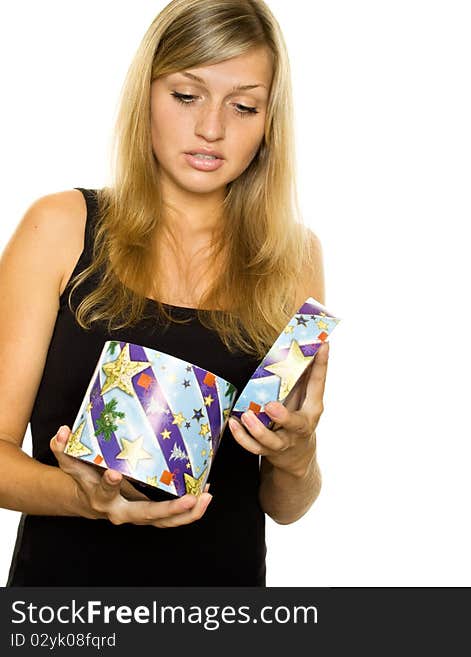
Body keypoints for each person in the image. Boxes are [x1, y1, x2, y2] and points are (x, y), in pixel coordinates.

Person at [0, 0, 329, 586]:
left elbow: (284, 503)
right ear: (145, 95)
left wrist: (297, 457)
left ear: (268, 122)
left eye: (244, 105)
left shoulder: (293, 258)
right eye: (186, 95)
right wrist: (87, 499)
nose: (211, 128)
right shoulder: (60, 226)